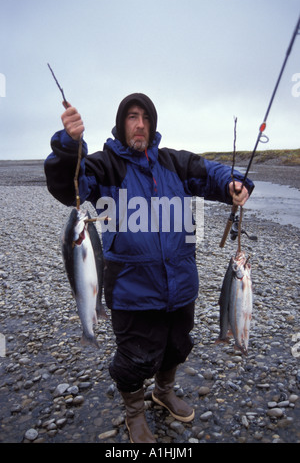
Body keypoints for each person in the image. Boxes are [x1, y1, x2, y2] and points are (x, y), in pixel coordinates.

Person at [44, 93, 253, 443]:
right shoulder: (106, 166)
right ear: (122, 123)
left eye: (145, 118)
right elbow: (69, 186)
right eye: (132, 117)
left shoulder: (175, 162)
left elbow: (210, 172)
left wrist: (234, 181)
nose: (139, 124)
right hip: (132, 289)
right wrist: (68, 144)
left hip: (182, 285)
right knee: (134, 360)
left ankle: (164, 391)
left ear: (152, 125)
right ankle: (134, 411)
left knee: (175, 347)